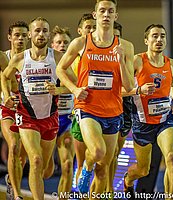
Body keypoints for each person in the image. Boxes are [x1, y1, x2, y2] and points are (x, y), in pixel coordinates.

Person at [56, 0, 134, 194]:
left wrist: (121, 61)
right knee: (98, 152)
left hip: (113, 111)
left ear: (116, 16)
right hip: (87, 108)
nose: (106, 15)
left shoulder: (125, 46)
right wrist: (74, 89)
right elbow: (60, 69)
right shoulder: (81, 43)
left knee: (103, 169)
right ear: (95, 14)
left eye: (110, 11)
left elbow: (130, 85)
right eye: (102, 11)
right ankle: (85, 168)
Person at [1, 17, 71, 199]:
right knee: (35, 159)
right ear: (30, 34)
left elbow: (76, 82)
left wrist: (59, 89)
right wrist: (7, 95)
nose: (41, 34)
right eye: (37, 31)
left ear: (49, 34)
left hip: (50, 117)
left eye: (45, 31)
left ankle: (34, 178)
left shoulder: (57, 57)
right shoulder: (18, 58)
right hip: (26, 117)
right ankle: (21, 194)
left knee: (46, 170)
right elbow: (5, 76)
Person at [123, 24, 173, 199]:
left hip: (164, 119)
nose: (159, 40)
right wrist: (139, 90)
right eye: (154, 36)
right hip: (142, 122)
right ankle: (128, 181)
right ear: (146, 40)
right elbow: (121, 89)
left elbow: (170, 85)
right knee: (143, 169)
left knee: (170, 158)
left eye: (162, 36)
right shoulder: (137, 61)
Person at [0, 21, 29, 200]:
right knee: (13, 145)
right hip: (7, 109)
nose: (20, 39)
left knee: (23, 156)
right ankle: (16, 195)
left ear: (29, 37)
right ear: (10, 37)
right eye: (17, 35)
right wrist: (6, 95)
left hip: (28, 111)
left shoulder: (33, 58)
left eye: (24, 35)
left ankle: (12, 179)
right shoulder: (3, 57)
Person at [106, 21, 134, 194]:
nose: (114, 40)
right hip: (103, 106)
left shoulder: (126, 53)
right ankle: (101, 188)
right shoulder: (98, 55)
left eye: (117, 36)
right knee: (103, 153)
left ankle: (109, 189)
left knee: (115, 152)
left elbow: (129, 85)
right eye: (111, 36)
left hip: (124, 107)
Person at [47, 25, 75, 196]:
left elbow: (79, 86)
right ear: (52, 45)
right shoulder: (45, 63)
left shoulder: (75, 63)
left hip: (67, 120)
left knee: (67, 165)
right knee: (46, 170)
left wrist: (61, 90)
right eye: (59, 42)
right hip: (48, 120)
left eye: (66, 42)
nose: (63, 45)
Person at [70, 12, 96, 188]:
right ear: (80, 30)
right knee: (79, 162)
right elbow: (64, 78)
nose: (92, 31)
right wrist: (74, 89)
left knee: (99, 159)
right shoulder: (74, 57)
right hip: (80, 111)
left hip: (103, 111)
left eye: (94, 27)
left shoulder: (103, 53)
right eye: (88, 27)